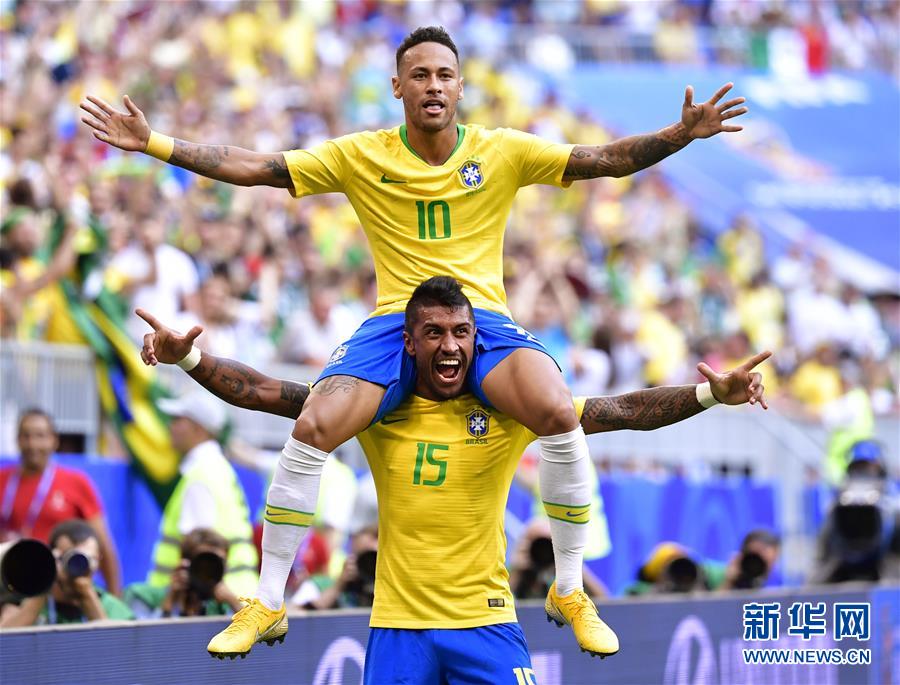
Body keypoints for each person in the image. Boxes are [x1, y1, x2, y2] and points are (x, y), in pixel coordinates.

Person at [83, 24, 749, 654]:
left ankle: (570, 589)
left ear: (461, 86)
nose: (433, 85)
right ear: (397, 86)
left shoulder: (502, 150)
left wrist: (680, 135)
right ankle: (268, 600)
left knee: (556, 409)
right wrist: (156, 143)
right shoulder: (361, 154)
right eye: (420, 75)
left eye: (445, 75)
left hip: (481, 320)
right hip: (397, 325)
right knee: (313, 425)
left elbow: (605, 159)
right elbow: (257, 166)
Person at [137, 275, 768, 670]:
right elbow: (263, 392)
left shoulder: (511, 410)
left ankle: (569, 591)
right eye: (434, 333)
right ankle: (266, 601)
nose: (449, 345)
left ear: (476, 339)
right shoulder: (376, 407)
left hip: (487, 623)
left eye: (461, 332)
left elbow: (623, 411)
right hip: (397, 630)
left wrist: (711, 394)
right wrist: (188, 358)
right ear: (408, 343)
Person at [148, 391, 259, 597]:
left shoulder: (200, 476)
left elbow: (198, 555)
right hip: (237, 596)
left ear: (198, 429)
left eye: (178, 420)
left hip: (215, 601)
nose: (170, 426)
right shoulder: (217, 468)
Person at [0, 409, 121, 595]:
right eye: (26, 436)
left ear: (54, 440)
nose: (32, 444)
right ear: (17, 440)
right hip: (8, 583)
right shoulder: (3, 480)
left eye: (40, 436)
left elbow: (103, 544)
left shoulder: (76, 483)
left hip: (58, 590)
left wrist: (116, 598)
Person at [0, 519, 133, 627]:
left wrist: (87, 596)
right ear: (53, 557)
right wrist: (43, 583)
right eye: (68, 557)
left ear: (98, 561)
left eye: (86, 560)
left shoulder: (113, 608)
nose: (77, 567)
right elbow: (6, 642)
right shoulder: (22, 601)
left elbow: (120, 648)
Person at [125, 528, 243, 619]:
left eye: (217, 563)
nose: (209, 570)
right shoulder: (143, 597)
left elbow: (249, 639)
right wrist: (170, 601)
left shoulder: (223, 606)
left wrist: (236, 605)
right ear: (185, 564)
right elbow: (141, 640)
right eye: (203, 564)